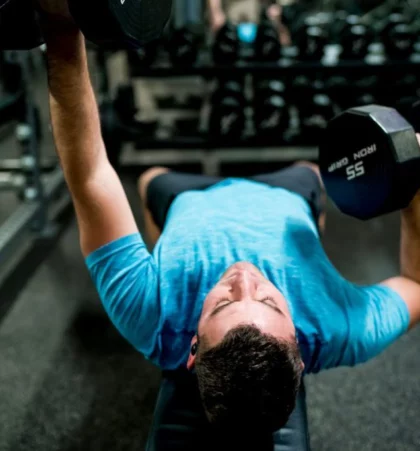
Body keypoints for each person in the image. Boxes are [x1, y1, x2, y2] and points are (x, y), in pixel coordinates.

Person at [41, 7, 420, 437]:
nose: (244, 275)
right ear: (300, 349)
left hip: (190, 197)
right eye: (271, 302)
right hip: (286, 194)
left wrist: (59, 28)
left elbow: (90, 174)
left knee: (148, 181)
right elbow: (416, 284)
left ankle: (165, 239)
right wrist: (411, 181)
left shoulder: (150, 316)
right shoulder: (338, 326)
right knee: (312, 172)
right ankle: (311, 223)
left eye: (222, 303)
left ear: (193, 349)